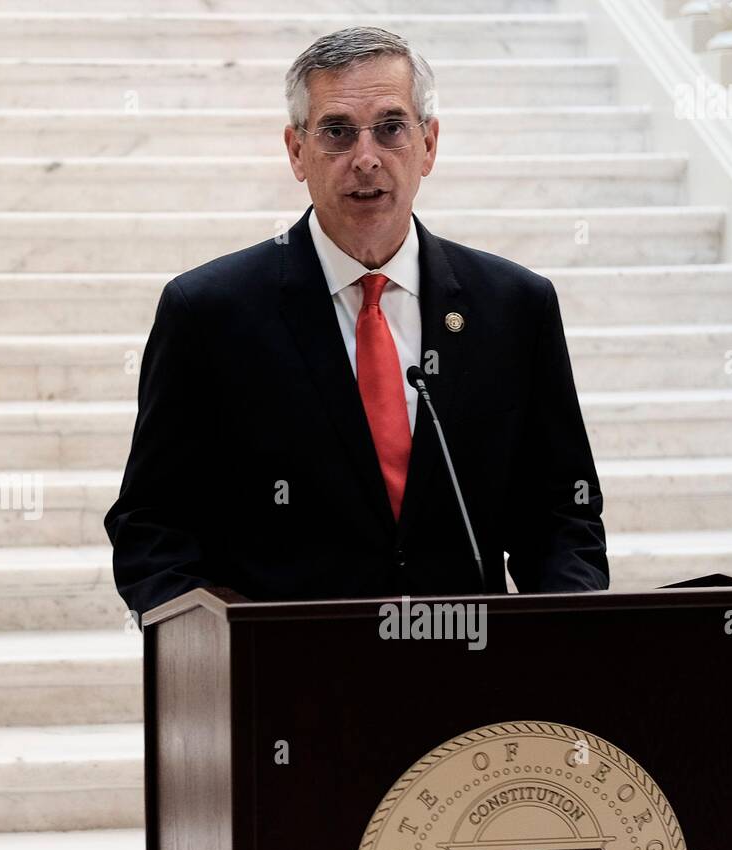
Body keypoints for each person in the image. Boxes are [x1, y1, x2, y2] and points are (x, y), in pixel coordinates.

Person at [104, 26, 609, 617]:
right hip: (287, 683)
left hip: (471, 678)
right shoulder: (208, 313)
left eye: (391, 128)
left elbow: (561, 514)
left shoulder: (516, 307)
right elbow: (151, 527)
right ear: (297, 151)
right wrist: (229, 640)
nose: (365, 158)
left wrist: (570, 638)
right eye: (337, 132)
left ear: (429, 145)